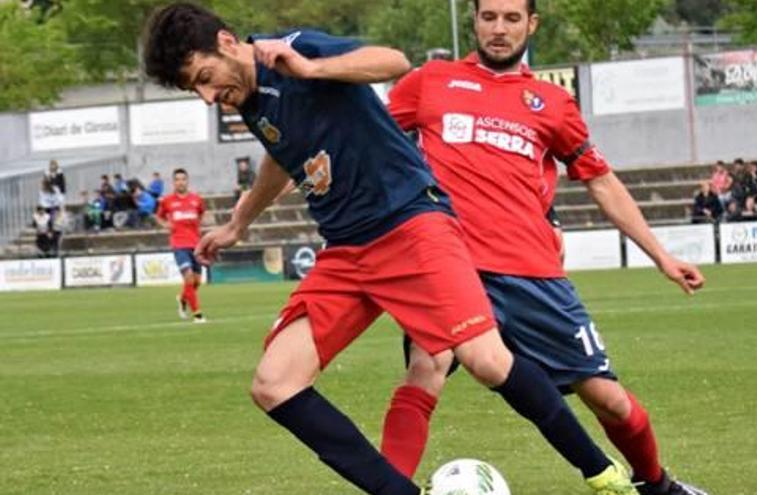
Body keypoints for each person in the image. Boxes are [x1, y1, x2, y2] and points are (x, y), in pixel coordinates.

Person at [143, 3, 637, 494]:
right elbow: (281, 154)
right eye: (196, 89)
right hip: (347, 252)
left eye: (205, 76)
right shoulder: (249, 99)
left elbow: (393, 61)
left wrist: (315, 69)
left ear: (228, 43)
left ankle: (603, 475)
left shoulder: (295, 51)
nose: (208, 96)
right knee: (274, 383)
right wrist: (238, 224)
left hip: (411, 225)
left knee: (486, 359)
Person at [381, 1, 708, 494]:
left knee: (608, 399)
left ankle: (657, 486)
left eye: (512, 18)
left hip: (533, 274)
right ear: (474, 20)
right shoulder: (431, 81)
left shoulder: (550, 102)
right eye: (489, 16)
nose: (498, 28)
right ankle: (388, 488)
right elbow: (369, 140)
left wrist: (661, 255)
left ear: (531, 25)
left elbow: (599, 180)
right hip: (450, 265)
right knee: (426, 366)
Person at [155, 168, 206, 323]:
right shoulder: (167, 201)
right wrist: (165, 225)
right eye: (177, 179)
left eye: (183, 179)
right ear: (174, 182)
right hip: (179, 244)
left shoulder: (196, 199)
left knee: (196, 281)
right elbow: (159, 216)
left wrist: (198, 226)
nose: (180, 182)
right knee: (189, 277)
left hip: (196, 244)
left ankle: (183, 299)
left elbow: (202, 213)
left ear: (187, 181)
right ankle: (198, 315)